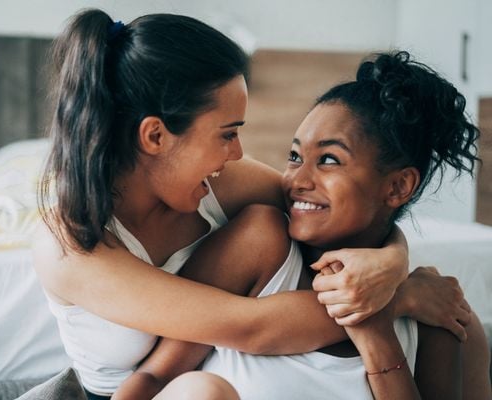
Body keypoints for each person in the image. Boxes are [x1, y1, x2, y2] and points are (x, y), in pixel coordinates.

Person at [33, 9, 473, 399]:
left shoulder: (223, 182)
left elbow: (336, 210)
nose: (238, 152)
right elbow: (249, 326)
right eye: (227, 133)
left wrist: (392, 264)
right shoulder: (69, 244)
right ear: (155, 136)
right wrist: (400, 297)